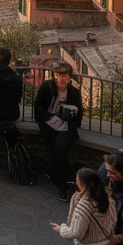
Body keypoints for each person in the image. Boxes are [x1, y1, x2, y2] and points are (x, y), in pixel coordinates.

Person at [35, 62, 84, 200]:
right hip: (49, 124)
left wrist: (71, 114)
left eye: (64, 76)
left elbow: (79, 112)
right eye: (58, 76)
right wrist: (49, 117)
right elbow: (38, 106)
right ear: (54, 76)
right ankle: (62, 180)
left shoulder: (74, 92)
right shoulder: (47, 87)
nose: (61, 79)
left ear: (69, 77)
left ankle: (60, 182)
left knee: (60, 150)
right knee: (60, 151)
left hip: (66, 126)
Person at [51, 167, 116, 245]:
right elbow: (113, 220)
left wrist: (61, 228)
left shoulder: (83, 205)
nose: (76, 183)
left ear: (83, 184)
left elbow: (74, 233)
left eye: (77, 180)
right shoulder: (108, 199)